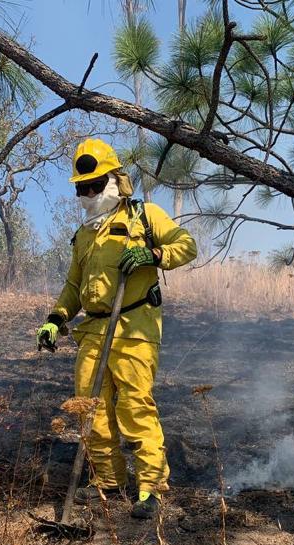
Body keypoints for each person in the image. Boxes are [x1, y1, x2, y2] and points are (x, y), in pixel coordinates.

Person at [37, 139, 197, 519]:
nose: (87, 193)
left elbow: (186, 245)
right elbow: (74, 287)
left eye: (93, 185)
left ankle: (150, 488)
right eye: (81, 187)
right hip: (94, 329)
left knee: (134, 405)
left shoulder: (144, 216)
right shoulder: (85, 234)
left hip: (135, 324)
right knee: (89, 407)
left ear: (113, 180)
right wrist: (55, 319)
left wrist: (153, 254)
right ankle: (109, 482)